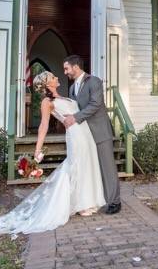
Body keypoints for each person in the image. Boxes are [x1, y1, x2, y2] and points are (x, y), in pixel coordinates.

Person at [0, 71, 106, 236]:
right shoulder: (47, 102)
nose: (57, 77)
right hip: (75, 136)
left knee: (87, 164)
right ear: (47, 84)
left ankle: (86, 201)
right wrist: (37, 148)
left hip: (86, 133)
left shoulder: (64, 97)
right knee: (76, 166)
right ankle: (79, 204)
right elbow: (44, 125)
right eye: (53, 77)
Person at [63, 54, 121, 214]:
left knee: (107, 167)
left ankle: (115, 202)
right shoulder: (71, 88)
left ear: (76, 67)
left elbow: (95, 104)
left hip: (100, 131)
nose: (65, 72)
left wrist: (75, 118)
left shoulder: (94, 81)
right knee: (92, 168)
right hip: (84, 135)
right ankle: (96, 199)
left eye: (66, 68)